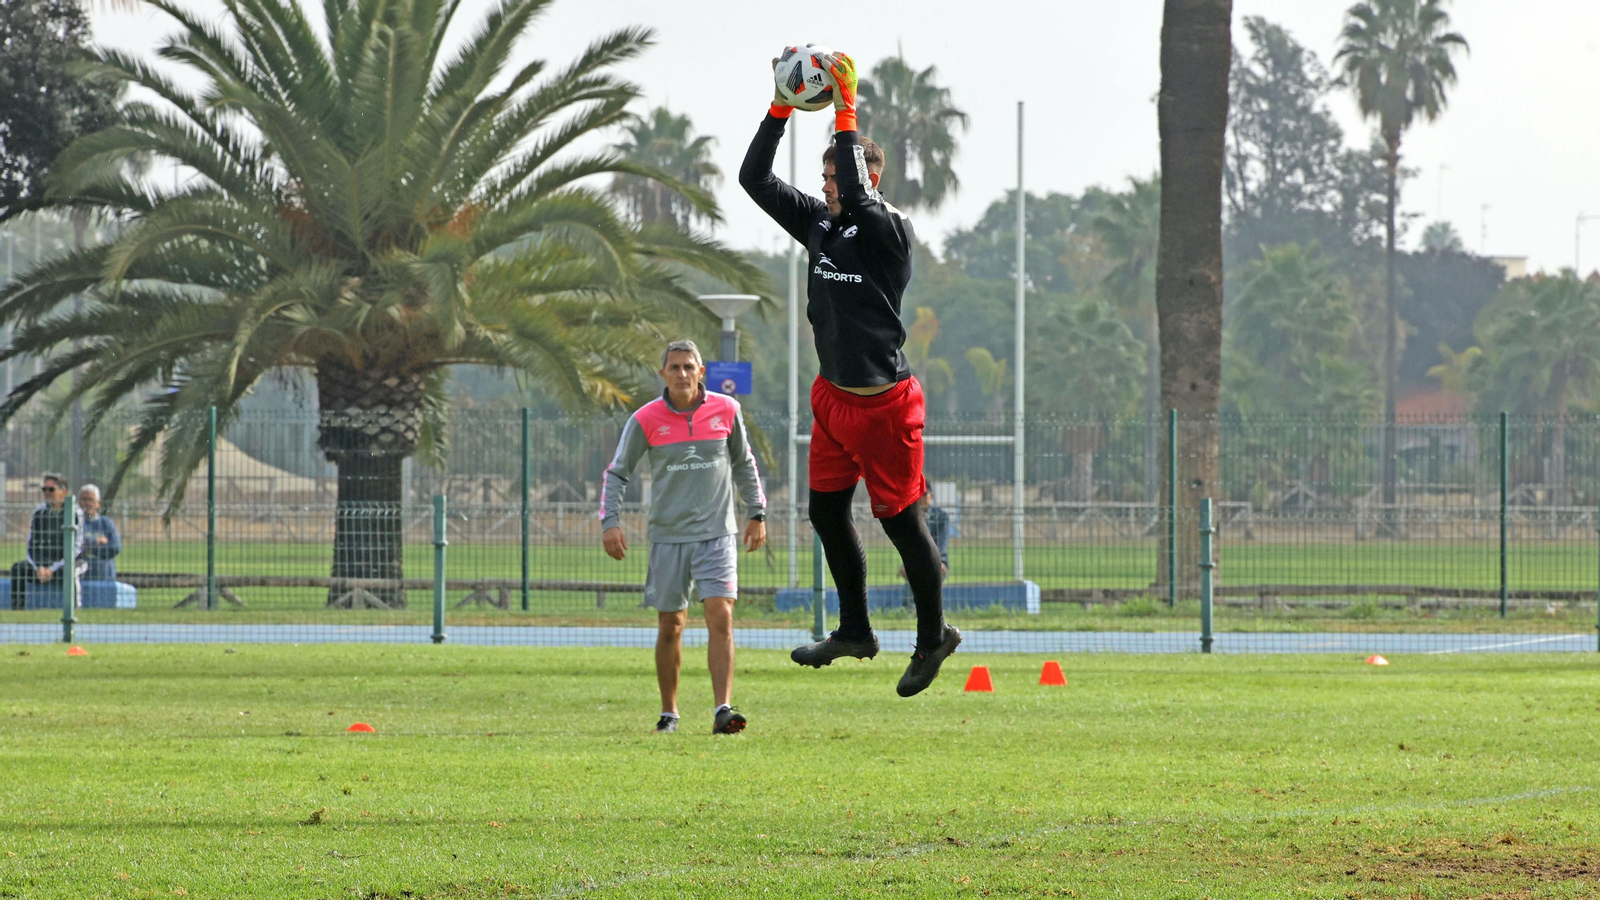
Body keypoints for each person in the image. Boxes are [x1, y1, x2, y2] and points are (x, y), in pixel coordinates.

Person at [740, 51, 960, 696]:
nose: (829, 184)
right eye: (827, 176)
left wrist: (845, 108)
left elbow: (862, 198)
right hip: (833, 400)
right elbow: (754, 178)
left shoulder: (887, 229)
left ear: (867, 179)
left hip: (885, 405)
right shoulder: (820, 224)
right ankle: (856, 630)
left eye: (839, 176)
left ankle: (933, 638)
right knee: (827, 515)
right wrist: (781, 106)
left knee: (903, 525)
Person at [599, 340, 767, 735]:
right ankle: (669, 713)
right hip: (668, 538)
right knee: (671, 625)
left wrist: (756, 512)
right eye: (673, 367)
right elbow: (618, 471)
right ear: (663, 374)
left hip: (718, 535)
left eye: (689, 366)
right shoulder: (645, 419)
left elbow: (744, 462)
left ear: (701, 371)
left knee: (720, 615)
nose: (681, 374)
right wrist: (610, 520)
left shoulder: (727, 411)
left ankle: (723, 709)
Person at [10, 472, 84, 610]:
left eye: (51, 489)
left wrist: (53, 568)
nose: (47, 493)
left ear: (63, 491)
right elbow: (31, 544)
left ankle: (74, 610)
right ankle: (17, 610)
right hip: (43, 564)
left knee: (70, 572)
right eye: (44, 489)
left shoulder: (74, 512)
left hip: (69, 562)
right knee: (18, 569)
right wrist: (38, 567)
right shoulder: (39, 513)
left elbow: (77, 547)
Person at [78, 484, 121, 581]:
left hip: (105, 578)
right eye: (84, 499)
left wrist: (88, 549)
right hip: (81, 580)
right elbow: (75, 547)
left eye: (91, 500)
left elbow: (114, 548)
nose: (87, 503)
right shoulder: (75, 523)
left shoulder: (107, 523)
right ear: (79, 502)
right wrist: (96, 541)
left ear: (98, 503)